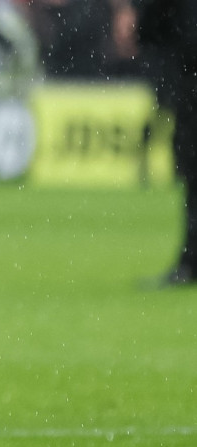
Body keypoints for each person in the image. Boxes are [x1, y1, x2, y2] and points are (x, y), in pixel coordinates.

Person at [116, 0, 197, 286]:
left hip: (188, 79)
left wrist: (140, 25)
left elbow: (159, 22)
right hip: (186, 75)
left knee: (193, 177)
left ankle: (190, 264)